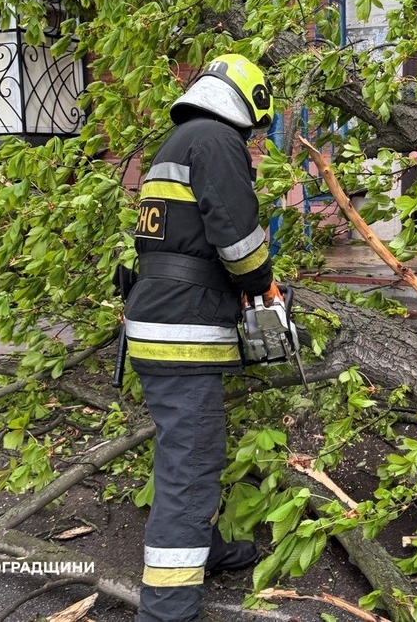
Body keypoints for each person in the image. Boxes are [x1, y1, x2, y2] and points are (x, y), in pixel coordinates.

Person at [124, 53, 280, 622]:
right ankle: (167, 607)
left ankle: (202, 549)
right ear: (248, 103)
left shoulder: (179, 141)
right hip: (181, 330)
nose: (256, 139)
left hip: (159, 319)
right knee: (189, 467)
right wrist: (264, 285)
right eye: (258, 131)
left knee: (188, 453)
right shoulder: (216, 142)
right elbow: (237, 238)